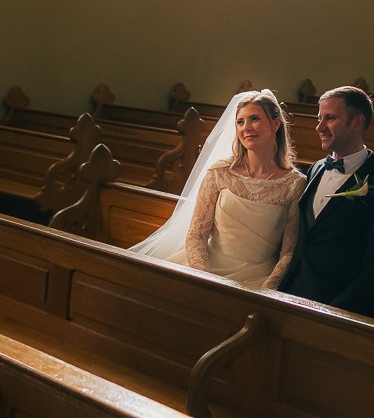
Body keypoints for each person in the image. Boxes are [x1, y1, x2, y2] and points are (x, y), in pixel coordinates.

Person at [130, 90, 306, 289]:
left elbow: (288, 252)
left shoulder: (294, 183)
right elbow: (196, 234)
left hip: (257, 280)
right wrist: (202, 278)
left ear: (275, 124)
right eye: (240, 122)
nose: (246, 128)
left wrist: (268, 289)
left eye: (254, 119)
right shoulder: (219, 172)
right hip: (204, 268)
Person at [279, 86, 374, 320]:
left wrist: (335, 313)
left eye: (329, 118)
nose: (319, 127)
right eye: (319, 118)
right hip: (293, 297)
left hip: (337, 310)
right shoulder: (316, 169)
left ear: (357, 123)